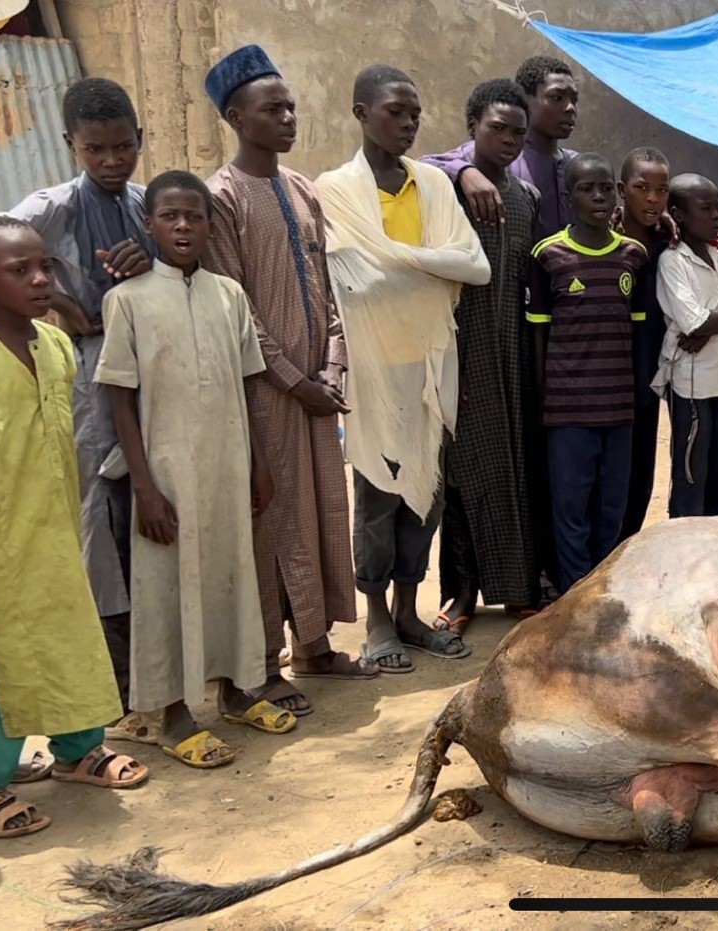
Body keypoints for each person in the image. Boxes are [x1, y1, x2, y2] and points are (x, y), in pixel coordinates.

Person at [0, 218, 149, 840]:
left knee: (67, 639)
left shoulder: (55, 346)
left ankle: (77, 749)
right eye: (19, 270)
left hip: (57, 529)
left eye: (45, 267)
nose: (39, 280)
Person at [95, 171, 292, 769]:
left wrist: (259, 463)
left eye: (195, 216)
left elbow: (244, 383)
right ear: (149, 223)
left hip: (228, 463)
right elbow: (121, 400)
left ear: (211, 225)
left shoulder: (229, 294)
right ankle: (172, 713)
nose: (183, 226)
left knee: (231, 570)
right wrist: (146, 488)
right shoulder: (126, 299)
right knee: (167, 587)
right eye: (170, 216)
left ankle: (235, 691)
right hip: (167, 472)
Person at [202, 45, 375, 718]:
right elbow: (236, 308)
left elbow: (327, 292)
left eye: (292, 105)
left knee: (325, 510)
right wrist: (292, 379)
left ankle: (316, 645)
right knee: (273, 521)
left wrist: (329, 365)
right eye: (273, 109)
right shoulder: (220, 198)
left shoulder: (303, 189)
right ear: (236, 117)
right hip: (265, 394)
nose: (288, 117)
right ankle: (267, 661)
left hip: (315, 388)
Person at [316, 65, 488, 665]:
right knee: (378, 496)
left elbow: (476, 267)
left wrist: (399, 264)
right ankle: (378, 623)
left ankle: (412, 613)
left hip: (431, 364)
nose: (409, 123)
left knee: (427, 494)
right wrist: (431, 266)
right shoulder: (334, 190)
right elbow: (354, 281)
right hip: (373, 370)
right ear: (361, 113)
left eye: (415, 113)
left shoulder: (434, 187)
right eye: (396, 112)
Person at [4, 76, 153, 725]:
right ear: (72, 145)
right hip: (88, 379)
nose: (112, 161)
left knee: (153, 501)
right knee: (100, 514)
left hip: (151, 376)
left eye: (123, 147)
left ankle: (158, 660)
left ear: (139, 141)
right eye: (97, 150)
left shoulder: (151, 205)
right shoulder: (49, 209)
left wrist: (148, 256)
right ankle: (113, 671)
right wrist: (55, 300)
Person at [438, 78, 544, 632]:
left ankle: (517, 587)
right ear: (471, 127)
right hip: (462, 347)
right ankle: (460, 594)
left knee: (517, 468)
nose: (508, 139)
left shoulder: (527, 199)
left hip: (514, 350)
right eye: (496, 128)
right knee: (463, 472)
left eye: (518, 133)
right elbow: (425, 163)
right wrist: (464, 170)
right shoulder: (444, 186)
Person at [528, 153, 650, 593]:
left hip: (618, 409)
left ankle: (602, 588)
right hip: (568, 412)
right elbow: (539, 335)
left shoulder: (633, 256)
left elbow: (637, 333)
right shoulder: (548, 256)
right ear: (568, 197)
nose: (599, 196)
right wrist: (546, 399)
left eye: (606, 188)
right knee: (570, 506)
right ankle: (575, 592)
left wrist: (636, 396)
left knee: (611, 505)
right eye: (586, 189)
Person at [654, 173, 718, 518]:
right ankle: (684, 552)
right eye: (706, 209)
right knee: (692, 474)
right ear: (678, 216)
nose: (717, 217)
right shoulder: (672, 262)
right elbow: (695, 321)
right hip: (692, 385)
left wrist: (710, 325)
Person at [426, 55, 578, 237]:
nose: (570, 107)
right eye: (557, 97)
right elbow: (428, 164)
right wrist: (466, 173)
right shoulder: (501, 157)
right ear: (526, 98)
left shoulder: (576, 165)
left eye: (574, 100)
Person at [615, 147, 676, 544]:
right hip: (610, 378)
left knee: (641, 472)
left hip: (651, 377)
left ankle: (625, 548)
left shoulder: (670, 244)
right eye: (642, 188)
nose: (653, 199)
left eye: (661, 190)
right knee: (611, 473)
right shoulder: (606, 241)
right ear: (623, 190)